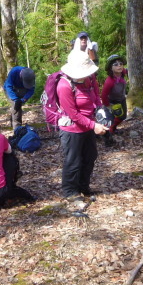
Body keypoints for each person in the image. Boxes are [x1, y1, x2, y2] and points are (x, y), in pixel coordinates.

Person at [57, 50, 109, 201]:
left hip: (88, 125)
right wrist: (94, 126)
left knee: (90, 156)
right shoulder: (64, 86)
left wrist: (100, 111)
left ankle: (83, 187)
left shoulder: (89, 79)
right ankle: (70, 192)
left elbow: (96, 97)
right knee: (73, 160)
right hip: (72, 129)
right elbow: (73, 114)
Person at [100, 54, 128, 146]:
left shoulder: (123, 73)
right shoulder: (109, 81)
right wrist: (108, 106)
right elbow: (103, 95)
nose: (119, 66)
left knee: (122, 116)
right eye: (115, 64)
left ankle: (114, 128)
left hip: (122, 99)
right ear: (110, 68)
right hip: (111, 101)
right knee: (110, 120)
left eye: (120, 64)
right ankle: (107, 138)